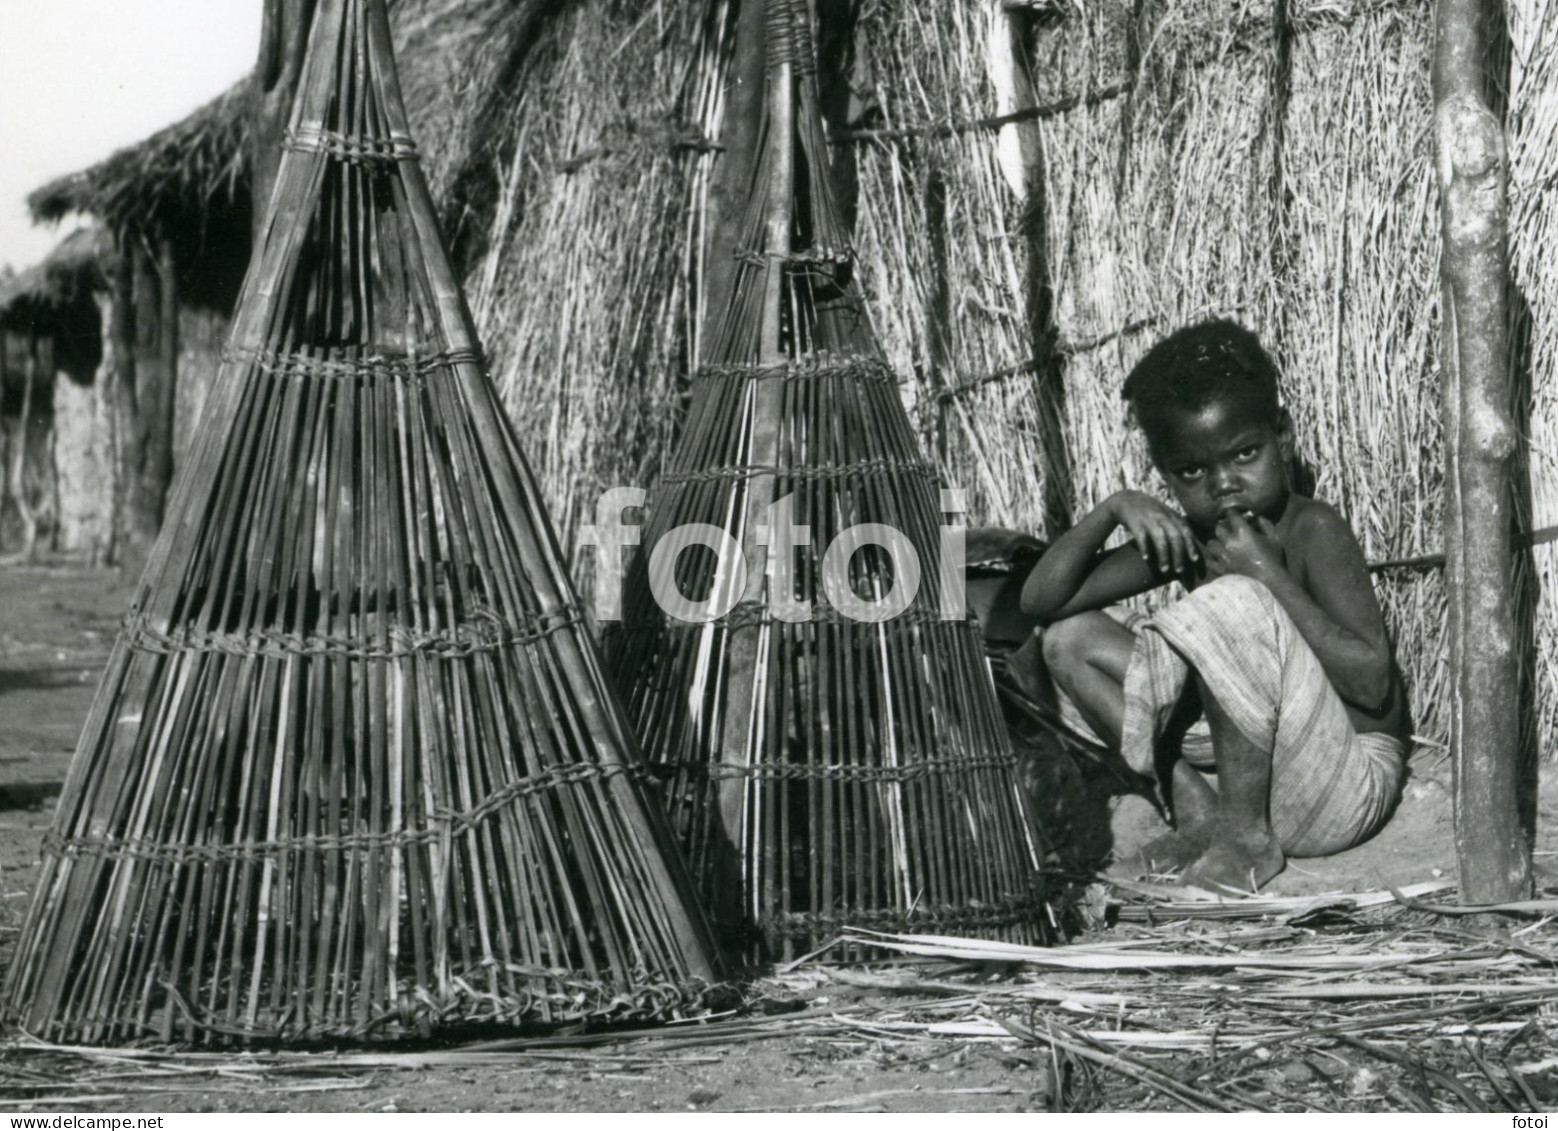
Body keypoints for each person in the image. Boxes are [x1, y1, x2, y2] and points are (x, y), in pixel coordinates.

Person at [1021, 319, 1407, 894]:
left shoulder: (1313, 528)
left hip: (1342, 783)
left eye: (1246, 453)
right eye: (1192, 472)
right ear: (1166, 477)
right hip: (1251, 774)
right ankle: (1201, 815)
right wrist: (1113, 509)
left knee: (1231, 598)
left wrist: (1264, 575)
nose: (1224, 484)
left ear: (1284, 435)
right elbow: (1041, 602)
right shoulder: (1190, 539)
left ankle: (1246, 839)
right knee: (1068, 638)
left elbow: (1373, 686)